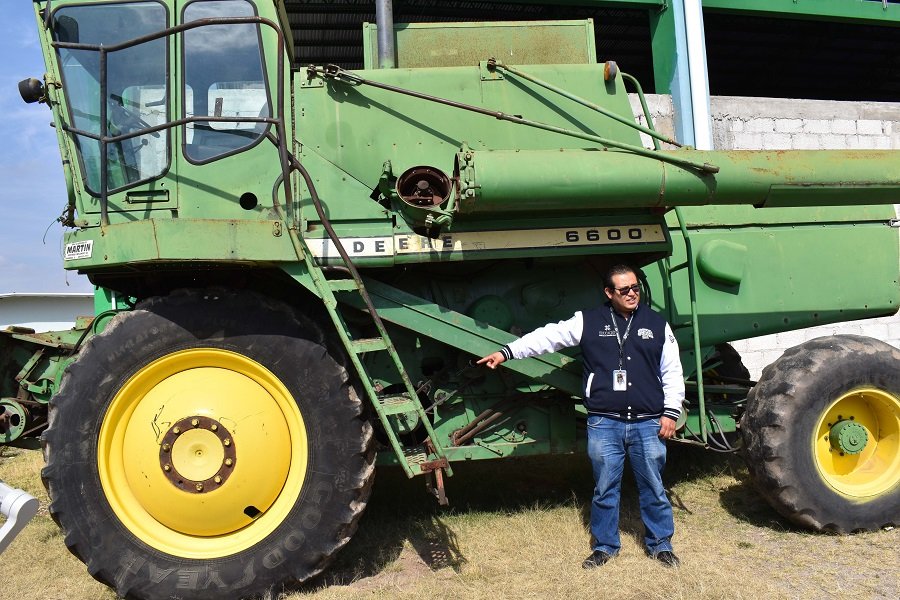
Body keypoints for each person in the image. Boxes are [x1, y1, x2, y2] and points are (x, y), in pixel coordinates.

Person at [477, 264, 684, 569]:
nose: (632, 294)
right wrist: (508, 352)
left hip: (646, 421)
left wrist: (670, 412)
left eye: (635, 288)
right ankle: (605, 546)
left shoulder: (657, 324)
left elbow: (672, 371)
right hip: (604, 422)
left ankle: (660, 544)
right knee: (605, 487)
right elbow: (549, 337)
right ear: (608, 292)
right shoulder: (588, 321)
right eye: (624, 289)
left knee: (653, 486)